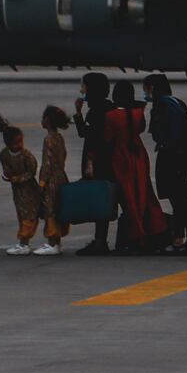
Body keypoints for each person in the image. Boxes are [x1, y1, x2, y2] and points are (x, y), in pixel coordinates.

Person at [102, 80, 169, 253]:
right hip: (138, 155)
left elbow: (108, 138)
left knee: (129, 197)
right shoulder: (138, 113)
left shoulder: (111, 116)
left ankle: (135, 235)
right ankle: (151, 232)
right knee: (143, 193)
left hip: (121, 157)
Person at [144, 73, 187, 255]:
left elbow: (164, 134)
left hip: (172, 157)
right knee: (184, 199)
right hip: (184, 157)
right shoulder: (177, 102)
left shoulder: (161, 105)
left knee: (178, 200)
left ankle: (179, 240)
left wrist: (168, 145)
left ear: (152, 88)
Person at [73, 72, 114, 255]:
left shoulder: (96, 111)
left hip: (98, 160)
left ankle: (100, 241)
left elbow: (90, 136)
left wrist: (90, 162)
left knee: (100, 199)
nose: (82, 90)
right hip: (106, 159)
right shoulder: (106, 107)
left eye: (84, 86)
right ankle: (101, 239)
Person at [0, 124, 44, 255]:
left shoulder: (26, 155)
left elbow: (31, 172)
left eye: (21, 141)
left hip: (29, 190)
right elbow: (6, 167)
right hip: (17, 192)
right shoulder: (5, 154)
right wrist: (8, 175)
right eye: (15, 143)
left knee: (28, 216)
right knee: (21, 214)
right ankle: (24, 241)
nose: (19, 145)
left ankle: (24, 242)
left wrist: (17, 179)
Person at [36, 105, 72, 256]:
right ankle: (57, 241)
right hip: (61, 177)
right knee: (58, 208)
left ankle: (53, 242)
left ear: (48, 121)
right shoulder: (59, 138)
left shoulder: (49, 139)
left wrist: (42, 181)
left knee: (50, 209)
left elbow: (47, 163)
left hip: (51, 180)